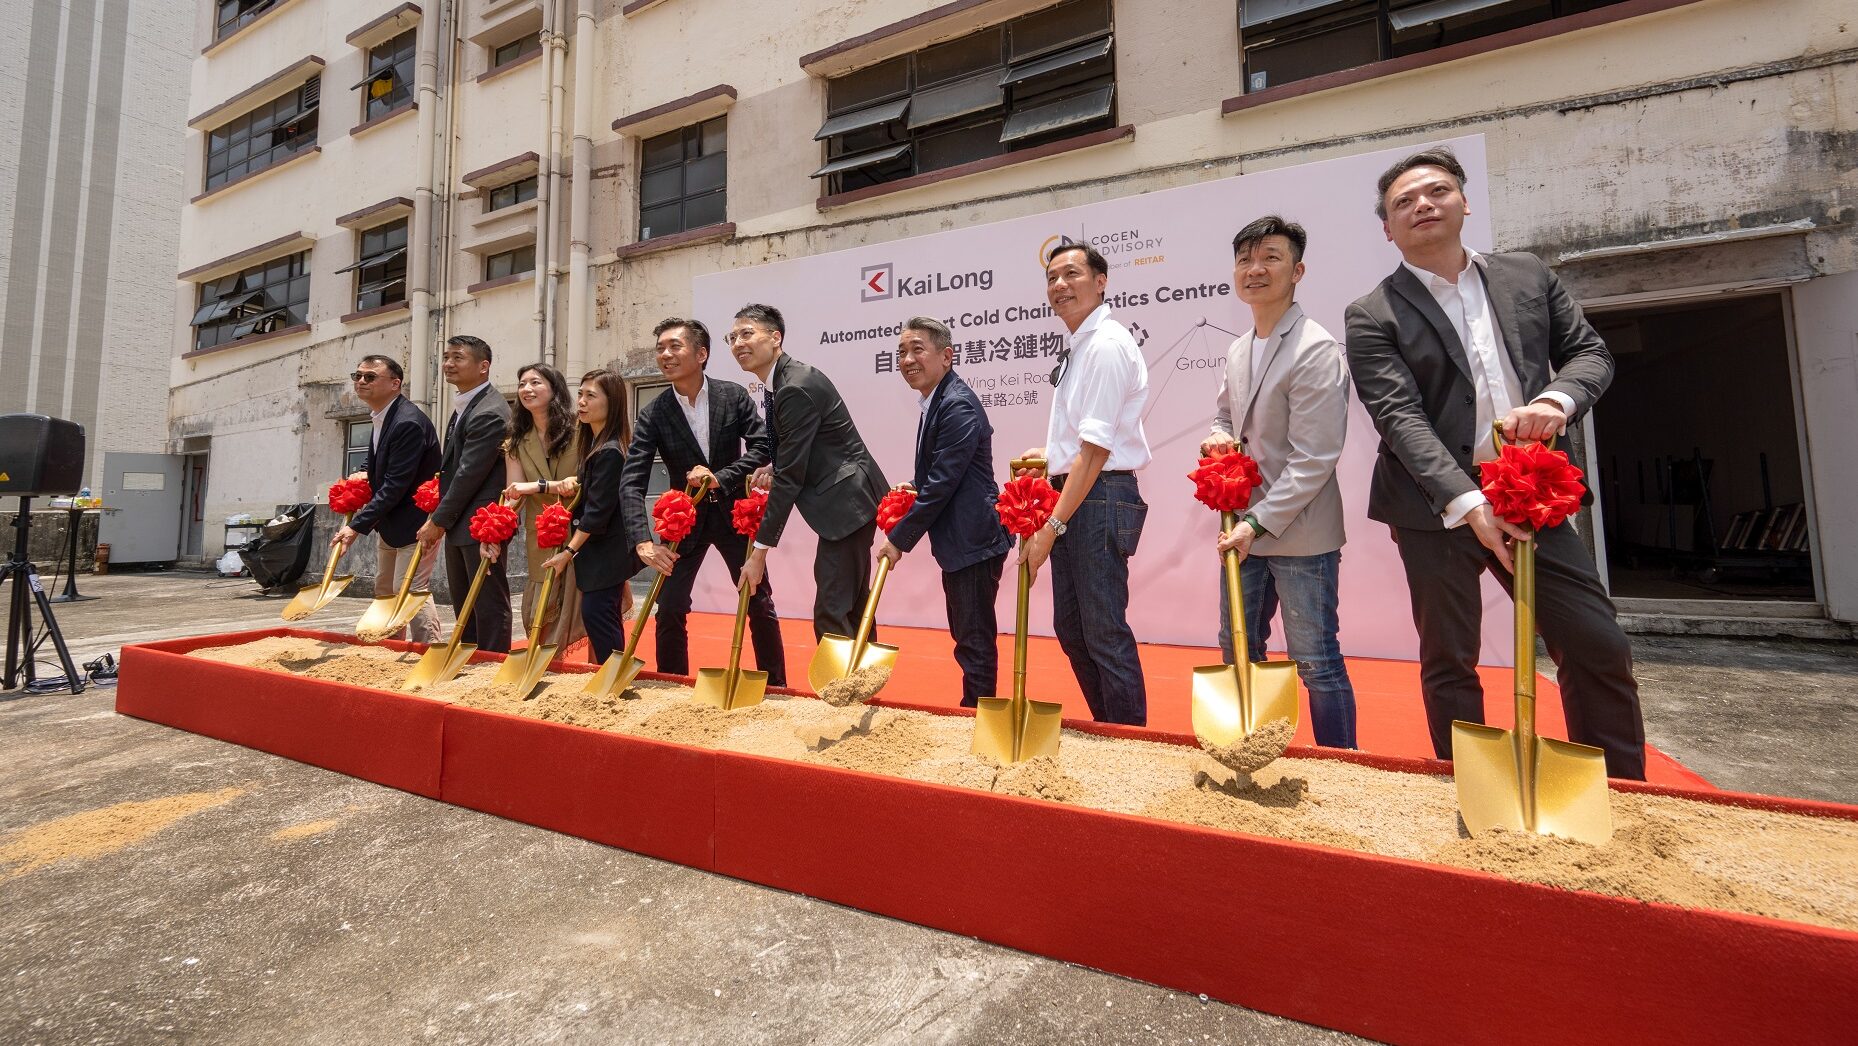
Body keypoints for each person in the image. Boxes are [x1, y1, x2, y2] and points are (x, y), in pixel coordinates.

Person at [1343, 146, 1646, 779]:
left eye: (1436, 191)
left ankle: (1628, 794)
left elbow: (1590, 355)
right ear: (1387, 227)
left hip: (1531, 492)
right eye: (1404, 202)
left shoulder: (1526, 276)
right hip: (1437, 507)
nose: (1423, 205)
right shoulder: (1372, 312)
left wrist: (1558, 400)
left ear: (1464, 201)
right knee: (1450, 658)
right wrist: (1468, 502)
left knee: (1596, 644)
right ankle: (1474, 787)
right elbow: (1398, 416)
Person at [1202, 216, 1358, 749]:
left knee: (1315, 659)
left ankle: (1342, 765)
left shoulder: (1315, 347)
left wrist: (1255, 524)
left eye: (1270, 257)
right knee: (1237, 649)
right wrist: (1217, 439)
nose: (1255, 269)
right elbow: (1226, 416)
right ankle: (1258, 749)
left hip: (1300, 533)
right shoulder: (1239, 347)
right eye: (1246, 259)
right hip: (1244, 529)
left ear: (1298, 270)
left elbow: (1315, 458)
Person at [1016, 244, 1152, 726]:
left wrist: (1050, 526)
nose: (1059, 285)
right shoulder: (1081, 345)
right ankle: (1109, 729)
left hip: (1099, 497)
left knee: (1102, 631)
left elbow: (1095, 451)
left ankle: (1130, 745)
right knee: (1072, 628)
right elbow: (1084, 442)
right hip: (1080, 494)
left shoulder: (1106, 345)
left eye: (1072, 274)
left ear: (1101, 281)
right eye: (1052, 277)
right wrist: (1050, 456)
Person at [620, 318, 786, 684]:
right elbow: (632, 480)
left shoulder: (733, 395)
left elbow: (763, 445)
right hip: (683, 524)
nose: (665, 354)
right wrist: (642, 542)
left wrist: (721, 478)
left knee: (758, 602)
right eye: (660, 348)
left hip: (734, 517)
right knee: (670, 608)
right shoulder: (654, 412)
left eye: (674, 346)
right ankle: (671, 685)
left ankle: (776, 686)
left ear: (702, 353)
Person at [728, 303, 888, 640]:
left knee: (832, 608)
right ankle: (861, 684)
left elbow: (791, 477)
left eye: (747, 334)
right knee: (852, 605)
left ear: (775, 337)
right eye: (732, 337)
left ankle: (840, 689)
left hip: (848, 503)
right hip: (850, 498)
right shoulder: (783, 381)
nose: (738, 343)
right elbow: (799, 452)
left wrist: (759, 554)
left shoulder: (793, 387)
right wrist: (776, 465)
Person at [877, 317, 1012, 707]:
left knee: (973, 638)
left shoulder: (956, 404)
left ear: (947, 356)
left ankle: (978, 715)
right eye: (901, 352)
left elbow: (944, 483)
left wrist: (898, 539)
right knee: (968, 635)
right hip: (962, 537)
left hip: (974, 539)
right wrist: (916, 488)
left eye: (917, 349)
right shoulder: (936, 399)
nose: (907, 359)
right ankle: (975, 710)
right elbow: (941, 476)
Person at [333, 354, 442, 643]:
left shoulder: (407, 422)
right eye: (357, 376)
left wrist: (356, 525)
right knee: (385, 588)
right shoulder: (382, 416)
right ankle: (389, 648)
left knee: (409, 589)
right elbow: (381, 463)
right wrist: (363, 474)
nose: (360, 382)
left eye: (370, 377)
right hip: (391, 522)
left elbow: (396, 483)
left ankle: (426, 650)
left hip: (416, 523)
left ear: (395, 384)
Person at [417, 335, 512, 654]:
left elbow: (469, 473)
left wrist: (438, 521)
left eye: (458, 358)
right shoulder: (466, 404)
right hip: (462, 523)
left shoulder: (489, 411)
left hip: (482, 524)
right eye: (446, 357)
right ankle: (470, 659)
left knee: (487, 601)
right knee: (465, 602)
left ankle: (491, 663)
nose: (448, 364)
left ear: (483, 366)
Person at [539, 369, 639, 665]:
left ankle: (613, 678)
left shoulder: (610, 452)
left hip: (607, 553)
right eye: (580, 395)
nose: (581, 402)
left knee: (598, 613)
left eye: (590, 396)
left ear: (613, 403)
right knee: (601, 614)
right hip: (598, 553)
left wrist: (567, 553)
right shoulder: (595, 447)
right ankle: (611, 675)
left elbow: (597, 514)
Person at [490, 362, 588, 650]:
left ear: (554, 388)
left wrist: (542, 486)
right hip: (542, 534)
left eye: (535, 382)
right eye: (522, 384)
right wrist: (494, 532)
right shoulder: (516, 442)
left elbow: (586, 481)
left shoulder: (581, 429)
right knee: (542, 610)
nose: (526, 389)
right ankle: (549, 669)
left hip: (582, 530)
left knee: (588, 607)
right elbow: (514, 494)